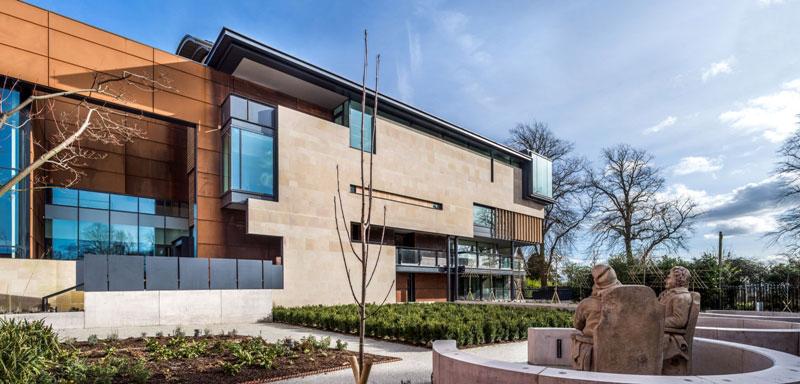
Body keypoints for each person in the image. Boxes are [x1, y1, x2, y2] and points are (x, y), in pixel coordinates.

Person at [571, 264, 622, 371]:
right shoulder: (626, 302)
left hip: (591, 352)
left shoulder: (586, 304)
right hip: (620, 350)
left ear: (595, 283)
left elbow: (577, 325)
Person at [659, 266, 694, 375]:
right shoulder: (669, 294)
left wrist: (655, 322)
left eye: (669, 277)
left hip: (668, 334)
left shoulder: (681, 297)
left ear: (679, 280)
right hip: (660, 328)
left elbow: (679, 320)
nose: (666, 280)